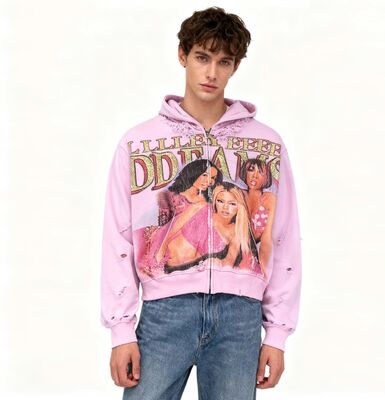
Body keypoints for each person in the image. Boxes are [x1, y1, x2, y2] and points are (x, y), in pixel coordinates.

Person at [100, 6, 302, 400]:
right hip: (165, 313)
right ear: (183, 55)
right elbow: (119, 238)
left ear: (235, 66)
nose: (211, 72)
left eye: (224, 62)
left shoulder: (266, 144)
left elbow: (282, 238)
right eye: (202, 57)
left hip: (239, 318)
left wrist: (277, 333)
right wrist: (121, 329)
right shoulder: (140, 142)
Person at [240, 158, 278, 276]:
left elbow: (266, 239)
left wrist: (263, 272)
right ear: (245, 173)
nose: (255, 176)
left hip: (259, 251)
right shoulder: (237, 194)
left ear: (267, 178)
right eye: (251, 170)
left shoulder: (269, 199)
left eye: (260, 172)